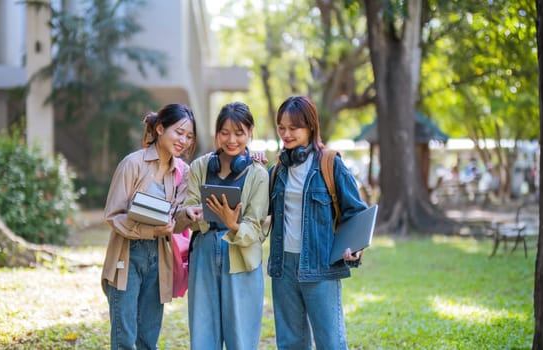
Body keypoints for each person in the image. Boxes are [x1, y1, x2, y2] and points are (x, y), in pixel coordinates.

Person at [267, 95, 368, 349]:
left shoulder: (330, 164)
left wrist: (355, 248)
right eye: (282, 127)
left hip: (321, 265)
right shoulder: (278, 169)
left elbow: (356, 212)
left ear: (310, 127)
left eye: (294, 128)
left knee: (330, 341)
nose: (286, 134)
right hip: (283, 267)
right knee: (290, 342)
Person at [101, 103, 199, 350]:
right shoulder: (132, 164)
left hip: (160, 258)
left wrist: (186, 213)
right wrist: (149, 231)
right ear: (160, 128)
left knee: (148, 336)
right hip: (127, 255)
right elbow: (113, 215)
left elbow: (174, 221)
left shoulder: (183, 172)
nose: (183, 141)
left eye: (189, 136)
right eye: (179, 132)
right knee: (124, 336)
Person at [181, 101, 269, 350]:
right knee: (202, 336)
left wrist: (234, 225)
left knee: (241, 337)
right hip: (204, 256)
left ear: (250, 133)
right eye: (225, 132)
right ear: (216, 133)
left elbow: (256, 225)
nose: (232, 139)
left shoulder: (259, 174)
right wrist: (193, 214)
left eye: (239, 133)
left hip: (242, 259)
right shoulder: (199, 166)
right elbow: (189, 206)